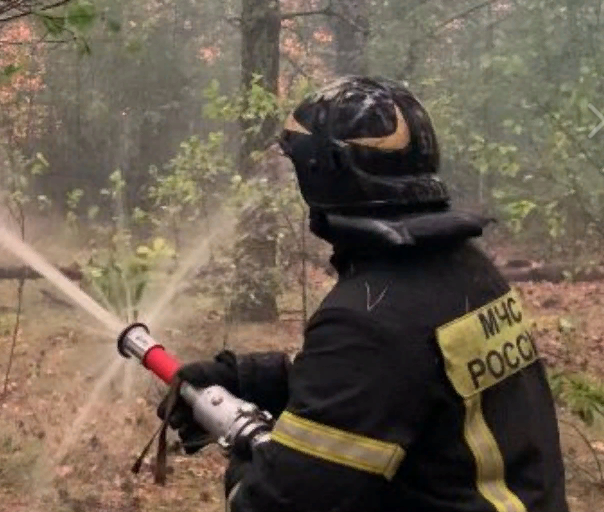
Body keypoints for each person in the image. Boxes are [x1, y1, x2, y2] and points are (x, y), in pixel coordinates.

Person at [158, 76, 569, 512]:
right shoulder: (466, 271)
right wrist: (254, 379)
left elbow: (279, 504)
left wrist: (246, 462)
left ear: (322, 175)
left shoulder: (370, 318)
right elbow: (399, 379)